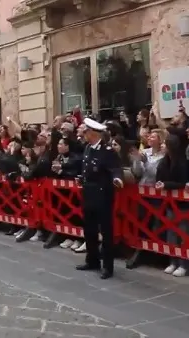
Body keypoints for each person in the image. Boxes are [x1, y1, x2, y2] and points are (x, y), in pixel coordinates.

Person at [75, 118, 123, 280]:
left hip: (103, 196)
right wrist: (82, 178)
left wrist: (117, 179)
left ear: (93, 133)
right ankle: (92, 260)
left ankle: (107, 266)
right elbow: (88, 169)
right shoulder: (88, 148)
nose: (84, 134)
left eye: (86, 132)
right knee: (89, 230)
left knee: (106, 232)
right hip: (88, 194)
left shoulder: (107, 151)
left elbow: (115, 168)